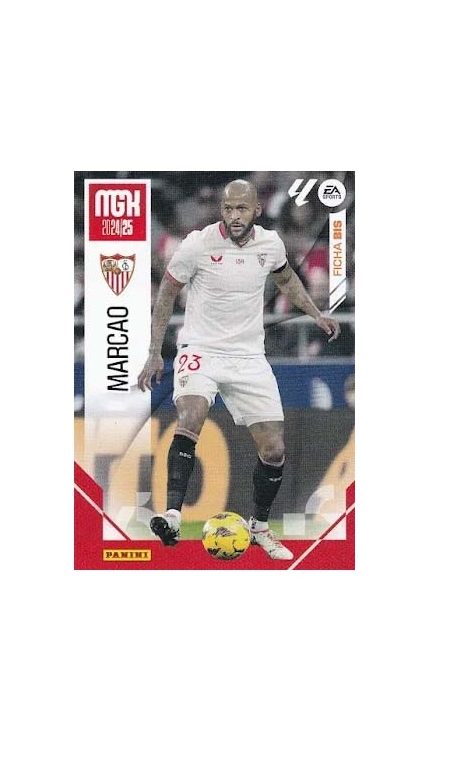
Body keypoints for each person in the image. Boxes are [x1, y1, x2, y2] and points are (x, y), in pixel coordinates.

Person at [137, 179, 340, 560]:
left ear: (256, 210)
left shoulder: (270, 244)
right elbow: (167, 291)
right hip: (200, 349)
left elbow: (286, 279)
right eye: (228, 209)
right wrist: (154, 352)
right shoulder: (197, 244)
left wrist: (316, 314)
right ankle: (173, 516)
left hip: (248, 357)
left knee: (274, 450)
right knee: (191, 415)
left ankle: (259, 526)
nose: (233, 216)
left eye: (241, 209)